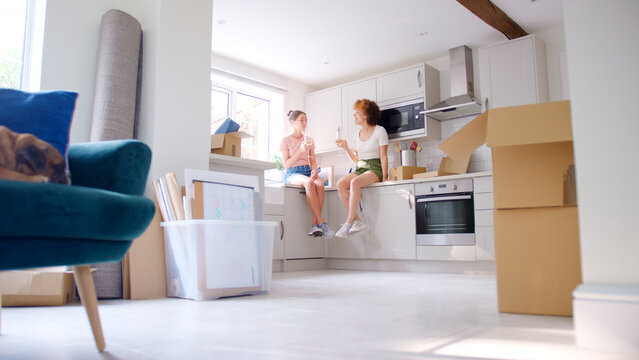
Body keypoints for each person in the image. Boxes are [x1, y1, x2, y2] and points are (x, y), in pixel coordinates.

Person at [334, 99, 388, 238]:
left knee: (355, 182)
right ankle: (357, 221)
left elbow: (383, 156)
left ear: (366, 115)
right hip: (361, 167)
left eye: (357, 112)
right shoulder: (356, 135)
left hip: (375, 168)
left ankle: (348, 222)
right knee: (340, 183)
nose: (354, 115)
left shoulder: (380, 131)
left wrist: (385, 178)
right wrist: (345, 148)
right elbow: (357, 161)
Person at [280, 110, 334, 238]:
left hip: (308, 171)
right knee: (309, 183)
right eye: (301, 120)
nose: (305, 123)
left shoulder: (309, 139)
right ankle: (321, 223)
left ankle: (314, 225)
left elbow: (313, 160)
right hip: (293, 172)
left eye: (306, 120)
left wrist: (314, 170)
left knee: (320, 185)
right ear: (293, 123)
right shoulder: (285, 140)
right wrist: (300, 150)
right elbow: (286, 165)